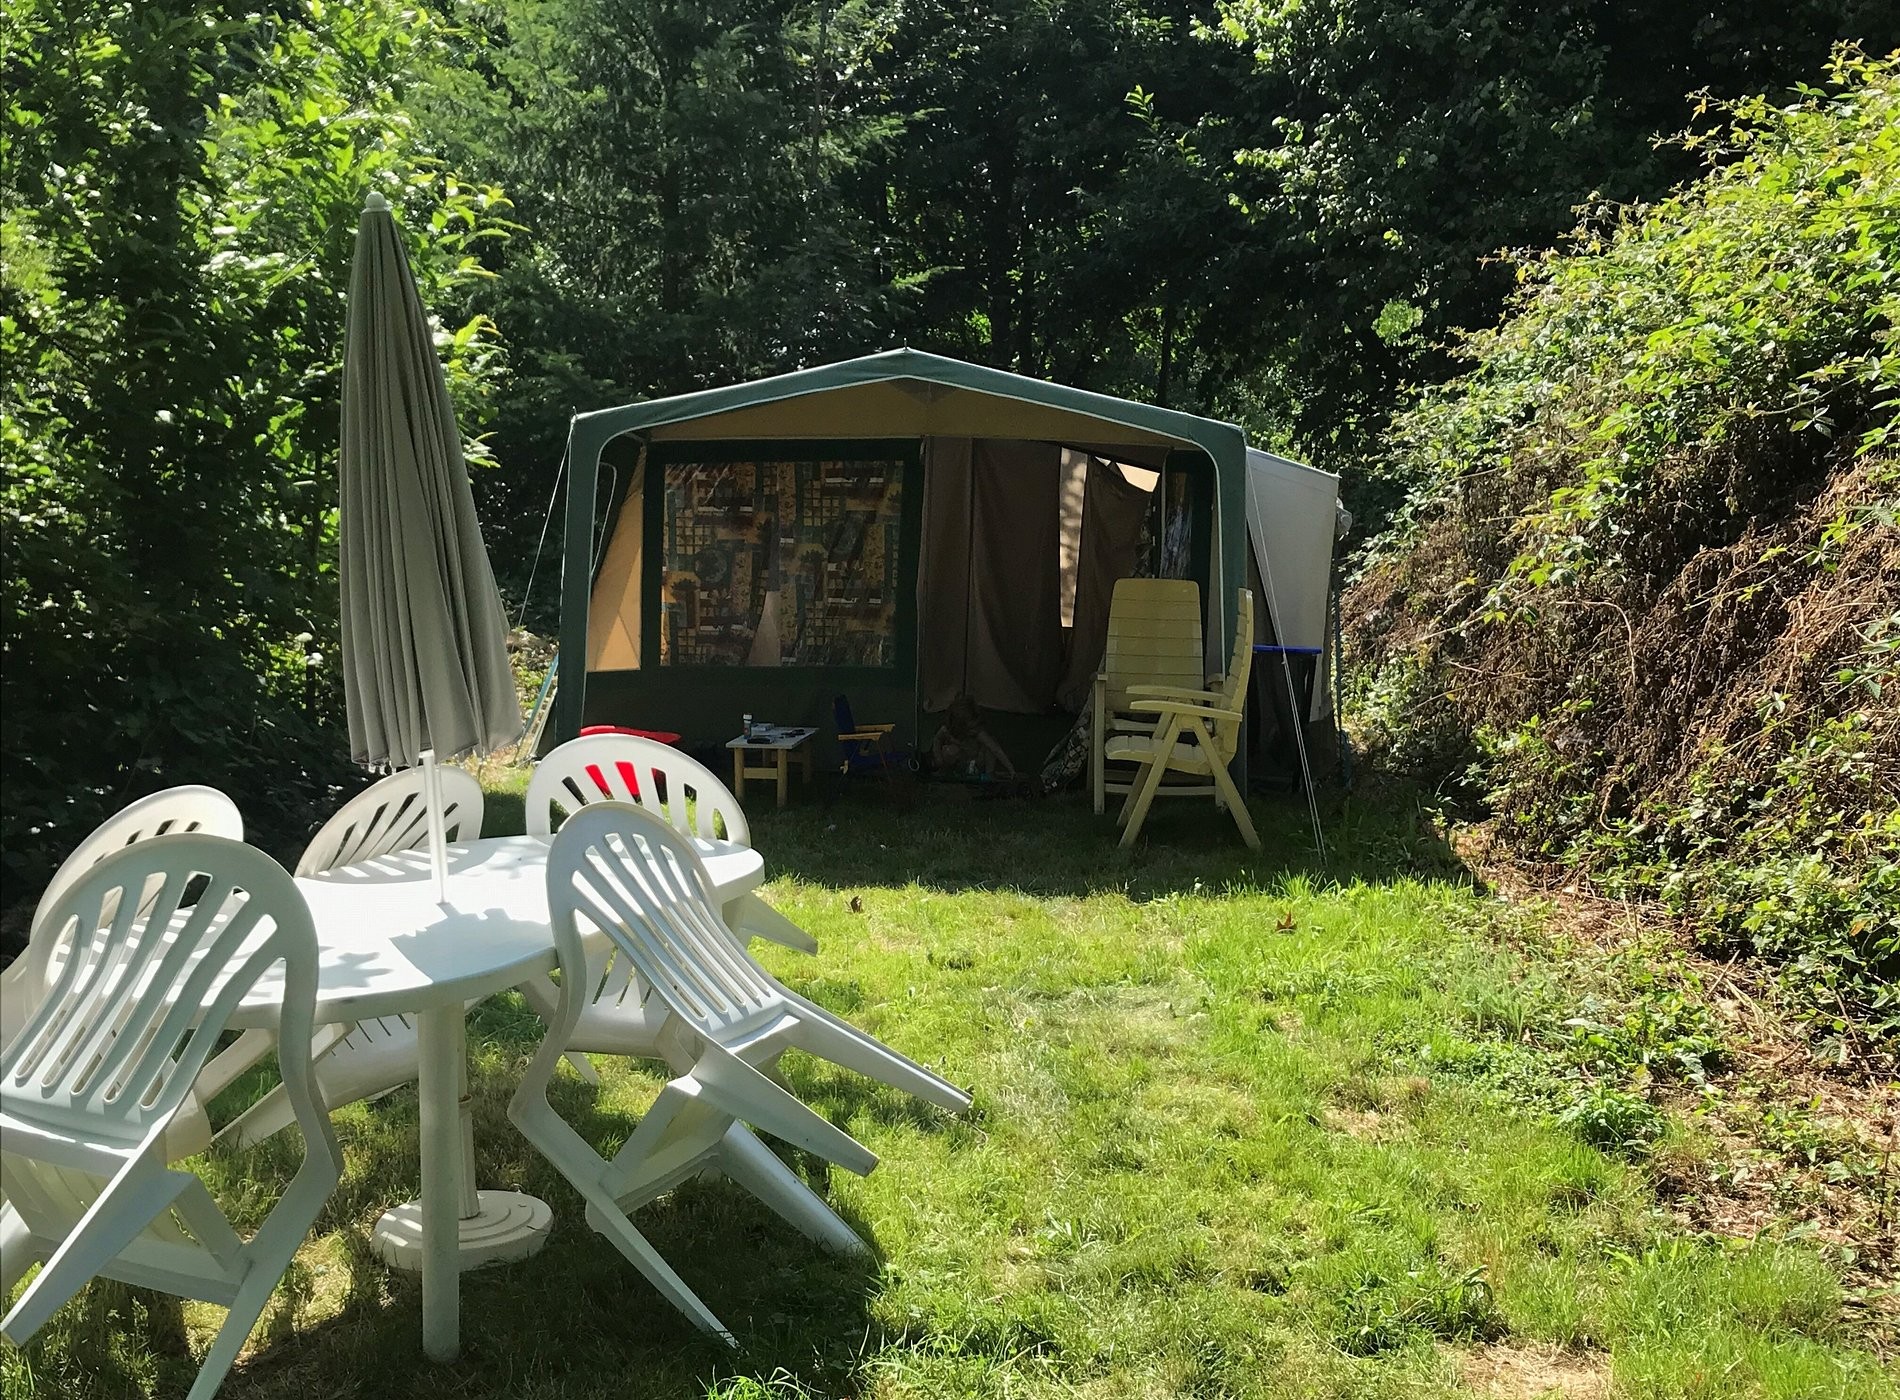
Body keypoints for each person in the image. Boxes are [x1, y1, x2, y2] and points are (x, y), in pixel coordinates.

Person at [929, 696, 1016, 780]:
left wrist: (1011, 769)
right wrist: (938, 758)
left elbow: (995, 749)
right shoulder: (946, 730)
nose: (973, 729)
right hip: (959, 760)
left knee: (991, 745)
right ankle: (945, 771)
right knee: (948, 750)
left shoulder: (977, 732)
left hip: (974, 759)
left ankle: (989, 774)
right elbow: (937, 740)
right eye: (970, 726)